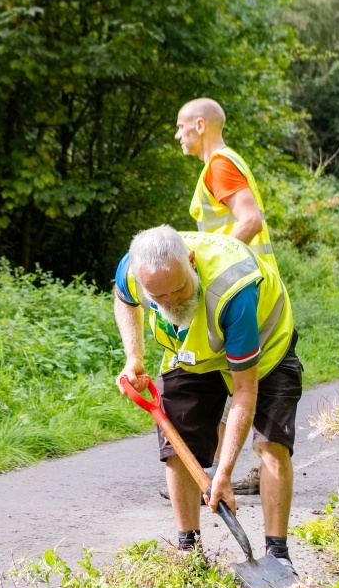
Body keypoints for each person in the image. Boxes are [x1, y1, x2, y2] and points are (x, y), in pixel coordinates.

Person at [113, 226, 303, 568]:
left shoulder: (233, 292)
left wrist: (224, 473)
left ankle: (278, 555)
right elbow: (124, 300)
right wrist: (134, 357)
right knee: (178, 445)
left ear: (191, 261)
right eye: (159, 297)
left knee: (271, 443)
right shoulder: (134, 270)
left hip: (264, 345)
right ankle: (190, 553)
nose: (170, 302)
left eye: (178, 289)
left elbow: (244, 390)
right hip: (192, 352)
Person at [174, 97, 280, 494]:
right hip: (251, 283)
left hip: (237, 288)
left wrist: (208, 268)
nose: (178, 134)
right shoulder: (223, 163)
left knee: (227, 377)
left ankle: (210, 476)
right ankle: (221, 473)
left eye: (181, 126)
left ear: (200, 125)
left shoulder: (219, 164)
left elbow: (250, 220)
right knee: (234, 377)